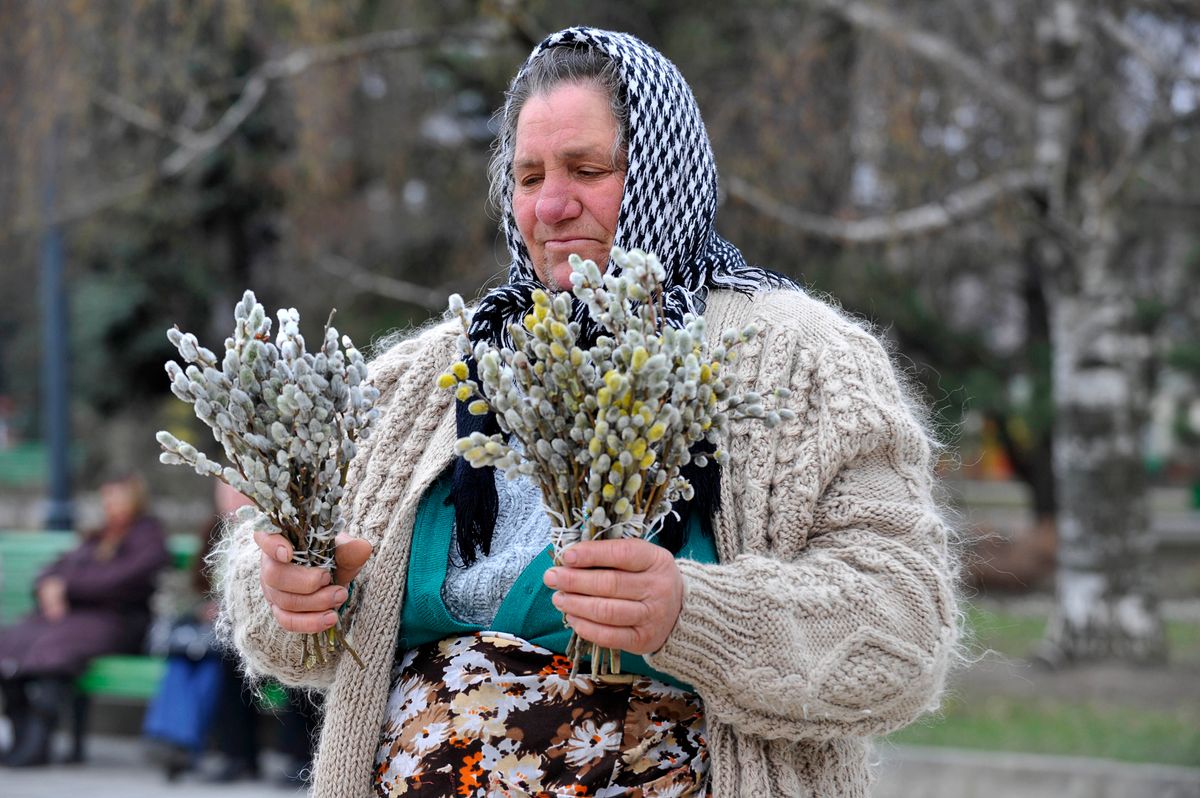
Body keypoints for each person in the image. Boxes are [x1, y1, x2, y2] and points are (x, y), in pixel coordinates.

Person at [218, 27, 959, 797]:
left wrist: (690, 613)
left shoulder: (804, 361)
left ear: (664, 175)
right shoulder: (430, 375)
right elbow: (277, 590)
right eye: (529, 175)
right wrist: (283, 589)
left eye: (588, 169)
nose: (552, 204)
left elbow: (901, 631)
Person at [144, 480, 320, 784]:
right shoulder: (214, 532)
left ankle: (299, 757)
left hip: (278, 626)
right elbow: (198, 585)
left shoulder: (276, 530)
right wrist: (206, 607)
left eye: (235, 488)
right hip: (227, 632)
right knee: (225, 661)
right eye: (222, 490)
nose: (229, 497)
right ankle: (237, 756)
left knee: (296, 659)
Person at [0, 471, 169, 767]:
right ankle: (21, 737)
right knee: (9, 643)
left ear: (135, 499)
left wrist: (68, 586)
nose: (110, 504)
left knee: (55, 649)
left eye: (117, 496)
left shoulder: (148, 534)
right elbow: (55, 567)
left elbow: (120, 580)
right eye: (106, 497)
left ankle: (38, 743)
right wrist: (48, 584)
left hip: (117, 622)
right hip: (74, 619)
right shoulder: (97, 536)